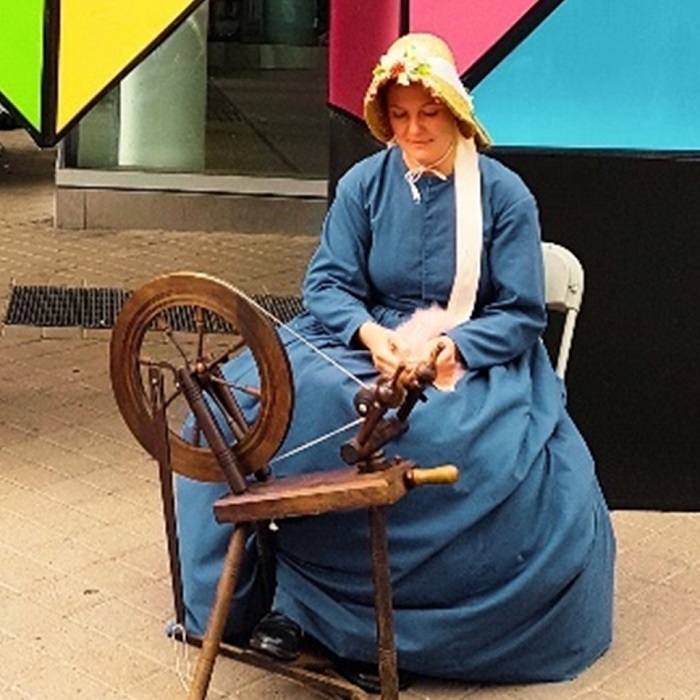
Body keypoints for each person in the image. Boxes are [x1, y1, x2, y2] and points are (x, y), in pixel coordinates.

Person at [175, 33, 615, 689]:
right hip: (359, 342)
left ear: (456, 113)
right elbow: (327, 284)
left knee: (447, 439)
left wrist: (452, 346)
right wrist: (367, 333)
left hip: (473, 353)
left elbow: (521, 313)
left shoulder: (504, 196)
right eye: (401, 116)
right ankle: (266, 600)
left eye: (428, 114)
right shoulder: (364, 184)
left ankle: (360, 624)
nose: (413, 129)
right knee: (259, 406)